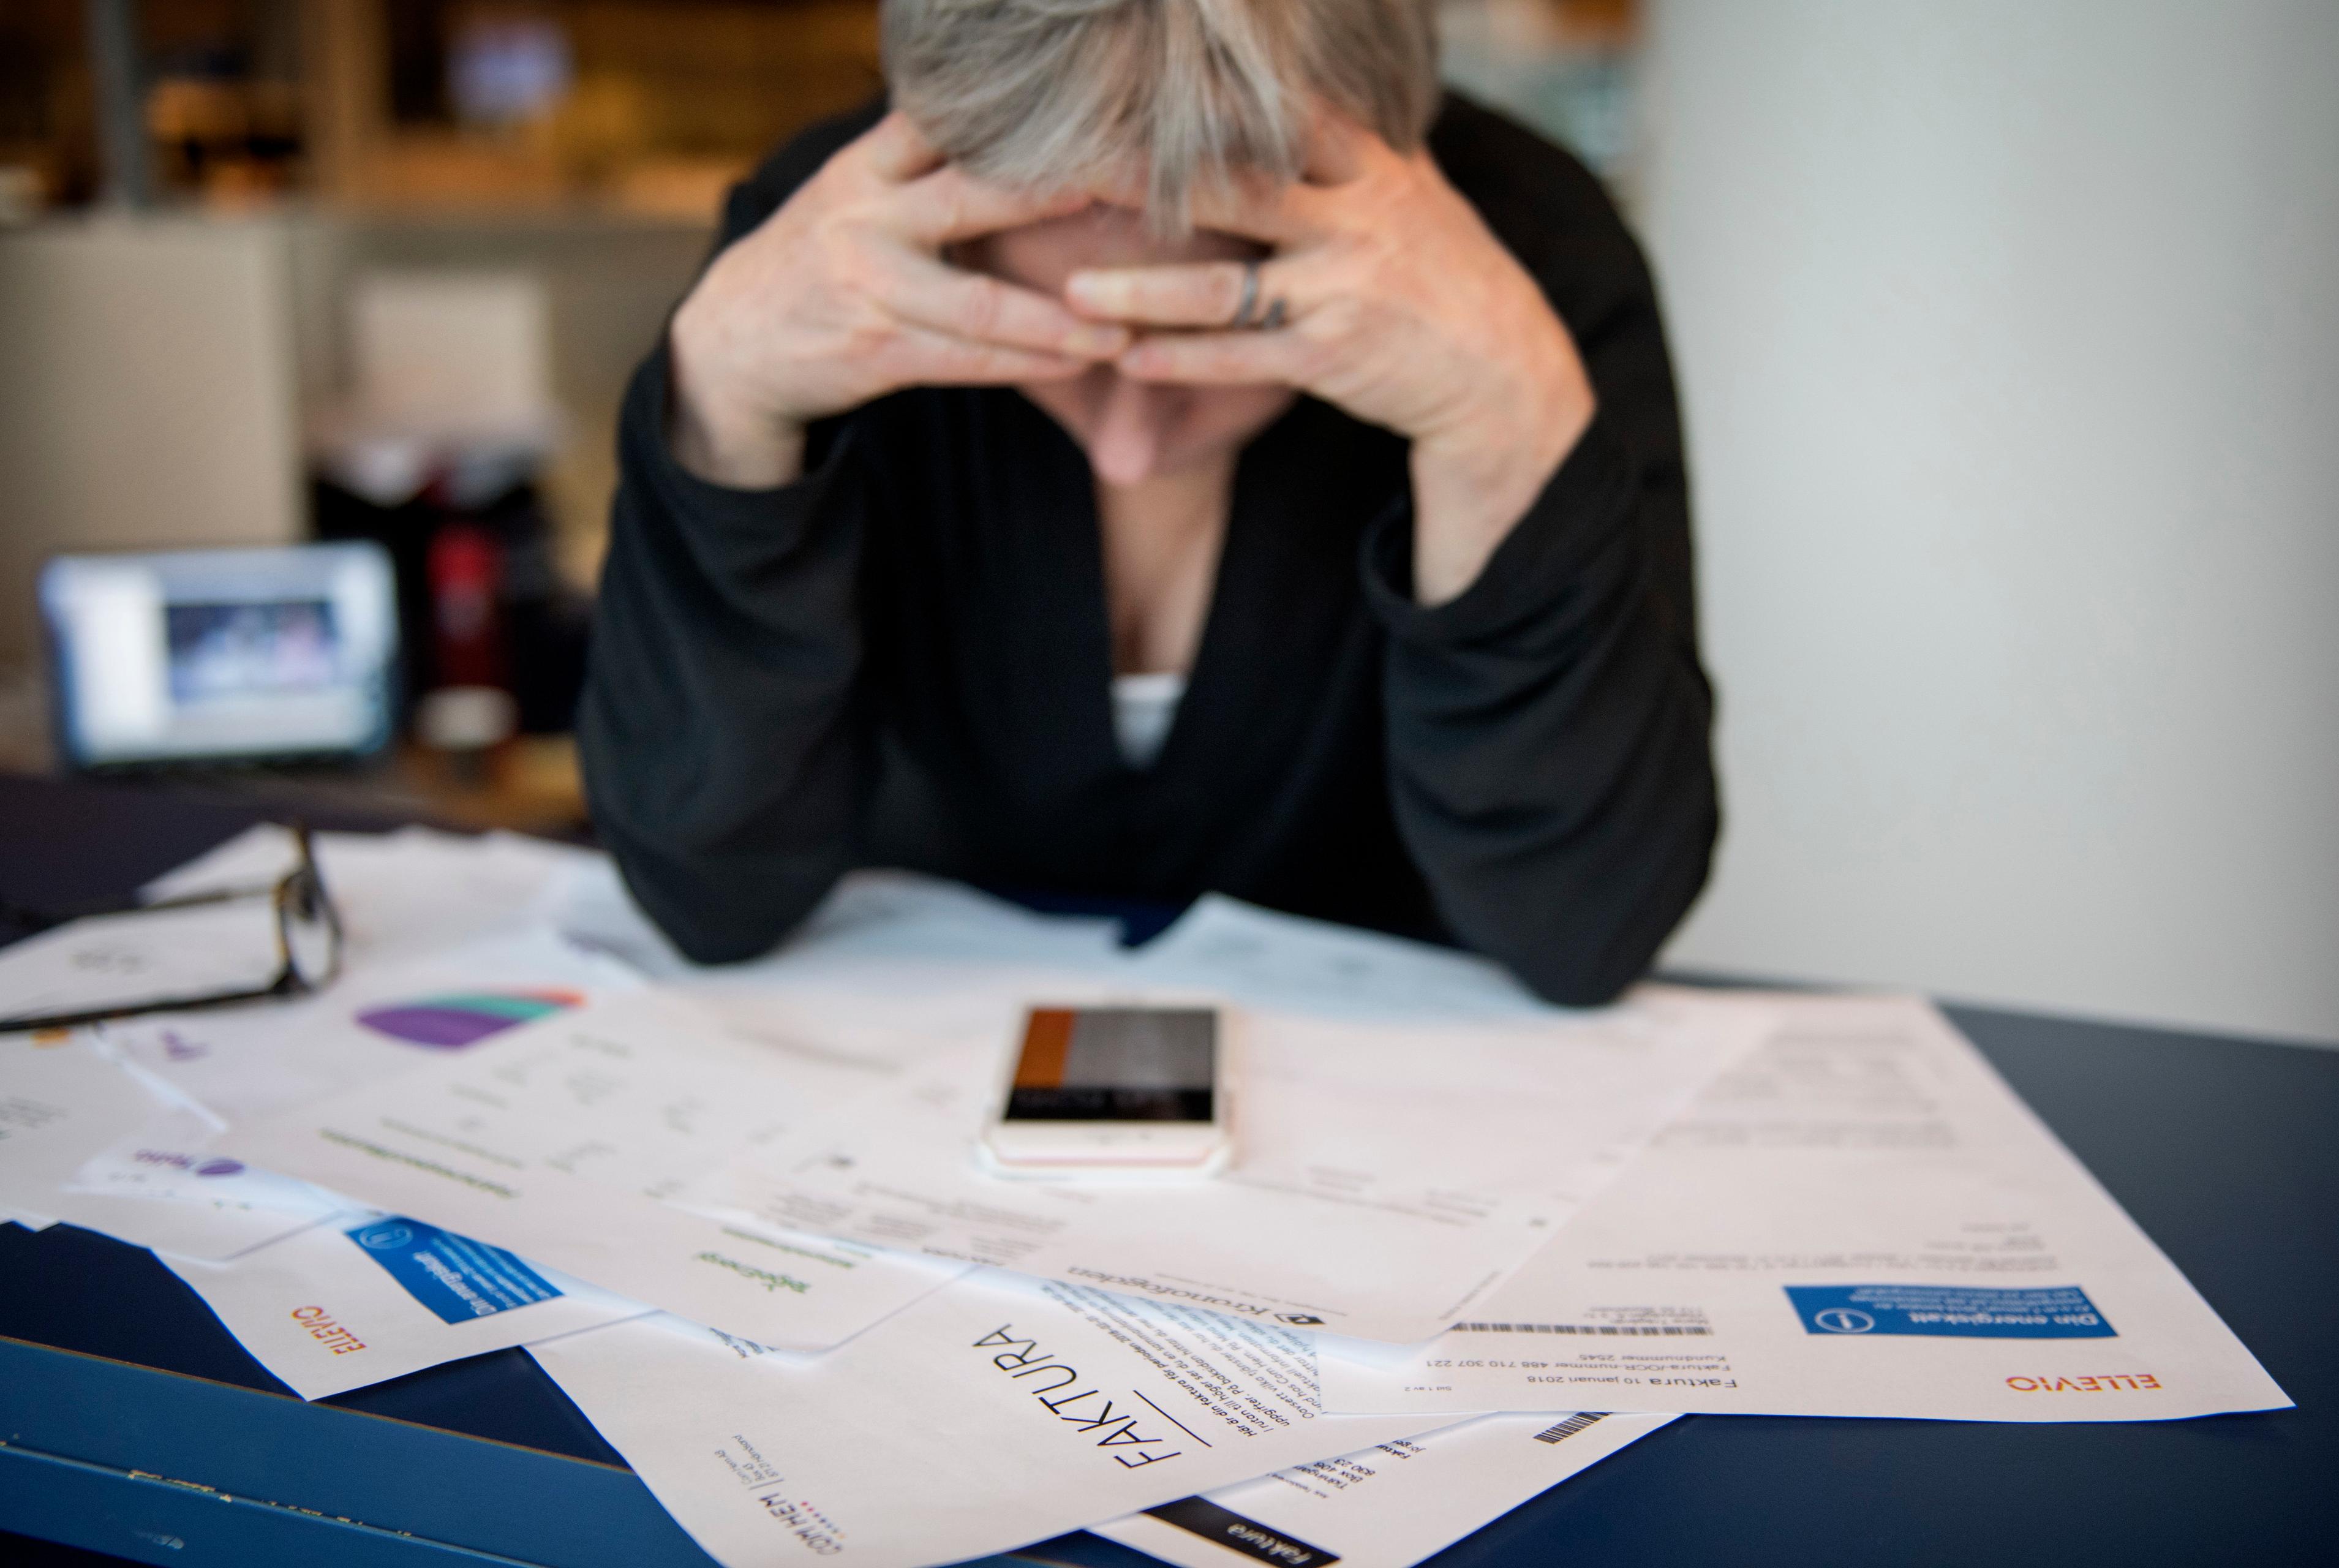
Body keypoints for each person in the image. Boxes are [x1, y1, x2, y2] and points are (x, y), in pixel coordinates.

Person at [580, 0, 1716, 1005]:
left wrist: (1499, 424)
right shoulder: (826, 263)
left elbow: (1586, 934)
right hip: (901, 1089)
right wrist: (723, 404)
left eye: (1215, 332)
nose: (1127, 449)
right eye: (1039, 330)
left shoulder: (1530, 265)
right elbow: (704, 892)